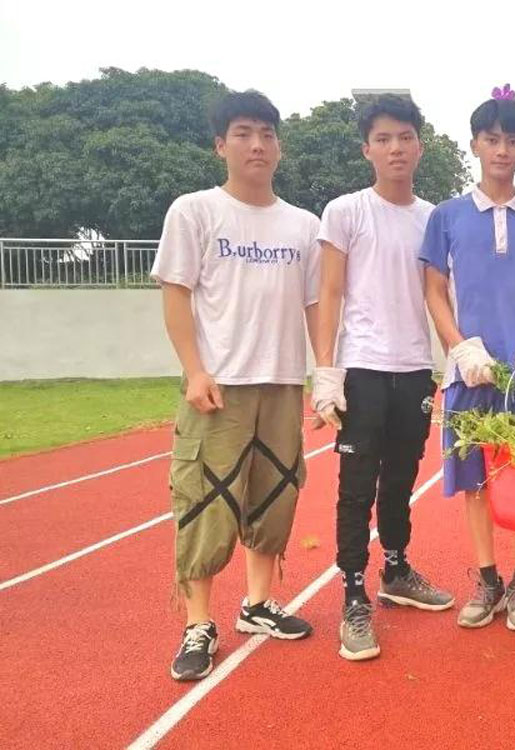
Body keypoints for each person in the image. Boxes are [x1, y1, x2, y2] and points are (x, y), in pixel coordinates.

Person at [153, 90, 317, 681]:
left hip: (282, 382)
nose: (257, 145)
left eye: (267, 134)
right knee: (206, 499)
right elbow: (176, 294)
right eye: (243, 134)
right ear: (220, 145)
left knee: (274, 495)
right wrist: (194, 369)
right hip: (219, 384)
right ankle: (198, 622)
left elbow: (315, 306)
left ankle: (258, 604)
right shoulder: (194, 211)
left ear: (279, 146)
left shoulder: (303, 225)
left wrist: (324, 375)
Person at [311, 94, 454, 662]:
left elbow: (440, 294)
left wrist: (456, 353)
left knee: (400, 481)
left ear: (420, 145)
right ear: (366, 149)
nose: (396, 148)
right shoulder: (346, 211)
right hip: (363, 369)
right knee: (355, 487)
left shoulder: (434, 218)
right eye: (383, 139)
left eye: (405, 137)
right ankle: (353, 595)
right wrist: (326, 372)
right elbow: (330, 294)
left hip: (413, 368)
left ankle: (396, 570)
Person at [422, 88, 515, 632]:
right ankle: (487, 577)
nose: (502, 150)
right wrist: (460, 346)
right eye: (492, 139)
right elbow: (434, 290)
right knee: (475, 480)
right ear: (475, 144)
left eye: (513, 140)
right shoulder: (447, 216)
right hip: (469, 374)